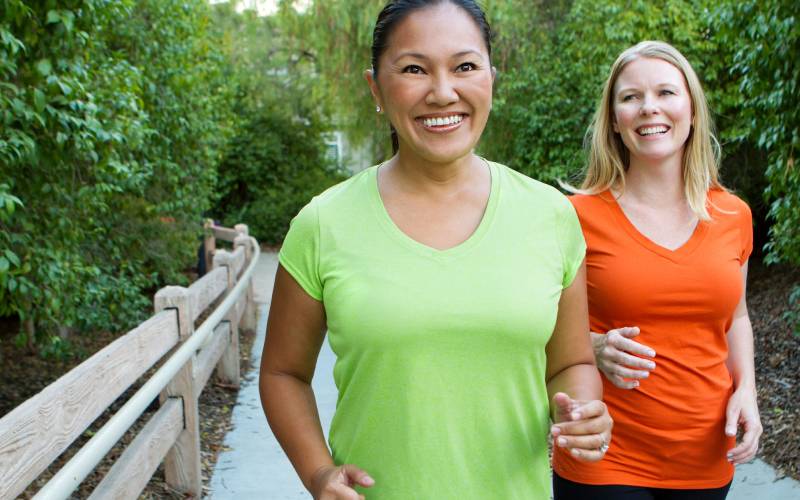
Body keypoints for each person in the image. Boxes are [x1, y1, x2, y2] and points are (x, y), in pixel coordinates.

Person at [259, 1, 612, 498]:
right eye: (413, 69)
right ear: (376, 88)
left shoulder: (550, 216)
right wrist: (318, 474)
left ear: (492, 76)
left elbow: (571, 363)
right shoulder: (323, 224)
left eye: (465, 66)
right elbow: (282, 373)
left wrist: (580, 411)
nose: (443, 92)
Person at [552, 41, 762, 499]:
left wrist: (747, 389)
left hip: (704, 456)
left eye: (666, 93)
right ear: (613, 119)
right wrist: (594, 345)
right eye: (630, 97)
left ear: (691, 109)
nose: (649, 108)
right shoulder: (573, 216)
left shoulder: (734, 215)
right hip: (603, 453)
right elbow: (534, 325)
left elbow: (738, 318)